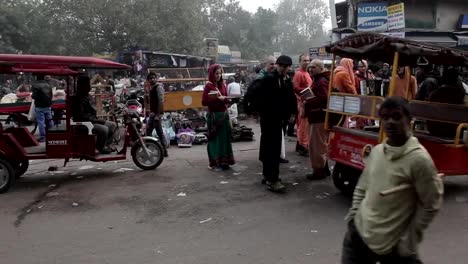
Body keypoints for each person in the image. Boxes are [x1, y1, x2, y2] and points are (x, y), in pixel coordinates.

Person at [341, 96, 443, 264]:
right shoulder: (377, 152)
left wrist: (408, 240)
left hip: (392, 248)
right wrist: (353, 217)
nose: (390, 122)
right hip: (357, 237)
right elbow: (362, 187)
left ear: (409, 121)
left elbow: (431, 204)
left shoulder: (419, 160)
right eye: (385, 117)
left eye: (396, 117)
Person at [244, 55, 297, 193]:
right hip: (268, 119)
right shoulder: (268, 79)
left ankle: (268, 176)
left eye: (286, 67)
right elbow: (251, 93)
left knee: (272, 149)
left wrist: (292, 113)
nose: (284, 69)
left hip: (278, 120)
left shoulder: (286, 80)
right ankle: (273, 179)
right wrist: (251, 110)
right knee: (272, 150)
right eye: (282, 66)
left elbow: (290, 97)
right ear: (277, 66)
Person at [201, 64, 235, 171]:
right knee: (214, 140)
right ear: (212, 74)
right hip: (214, 117)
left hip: (223, 116)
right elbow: (204, 102)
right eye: (216, 73)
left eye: (220, 73)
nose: (218, 76)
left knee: (224, 140)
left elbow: (225, 99)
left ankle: (224, 162)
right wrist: (217, 99)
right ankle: (214, 163)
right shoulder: (209, 86)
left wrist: (229, 100)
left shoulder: (222, 85)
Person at [72, 76, 117, 154]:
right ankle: (100, 148)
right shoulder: (77, 98)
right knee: (104, 129)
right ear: (82, 85)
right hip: (84, 123)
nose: (89, 86)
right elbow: (80, 116)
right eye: (87, 84)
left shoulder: (87, 96)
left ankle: (106, 144)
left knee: (112, 125)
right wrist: (95, 120)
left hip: (92, 120)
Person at [304, 59, 331, 180]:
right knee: (320, 144)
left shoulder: (320, 81)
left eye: (313, 67)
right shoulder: (320, 79)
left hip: (318, 117)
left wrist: (308, 100)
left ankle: (319, 171)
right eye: (309, 67)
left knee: (317, 146)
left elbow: (325, 99)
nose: (310, 69)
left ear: (321, 68)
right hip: (318, 116)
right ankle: (323, 169)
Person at [293, 54, 312, 156]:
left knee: (304, 126)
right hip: (301, 103)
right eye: (304, 60)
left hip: (307, 102)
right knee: (302, 126)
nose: (307, 62)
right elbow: (296, 88)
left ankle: (300, 145)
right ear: (300, 62)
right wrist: (308, 92)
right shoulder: (299, 74)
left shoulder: (307, 73)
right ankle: (303, 147)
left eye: (308, 60)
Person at [146, 73, 168, 157]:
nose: (152, 79)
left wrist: (158, 115)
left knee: (159, 132)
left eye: (153, 78)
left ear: (156, 78)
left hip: (156, 114)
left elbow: (161, 101)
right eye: (150, 78)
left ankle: (164, 150)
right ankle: (149, 149)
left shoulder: (158, 87)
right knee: (148, 131)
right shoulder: (152, 88)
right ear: (148, 80)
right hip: (153, 114)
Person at [31, 75, 54, 142]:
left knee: (41, 122)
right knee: (49, 119)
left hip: (39, 107)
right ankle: (52, 133)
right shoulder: (48, 85)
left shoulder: (35, 85)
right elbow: (51, 95)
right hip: (48, 106)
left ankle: (43, 137)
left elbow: (34, 96)